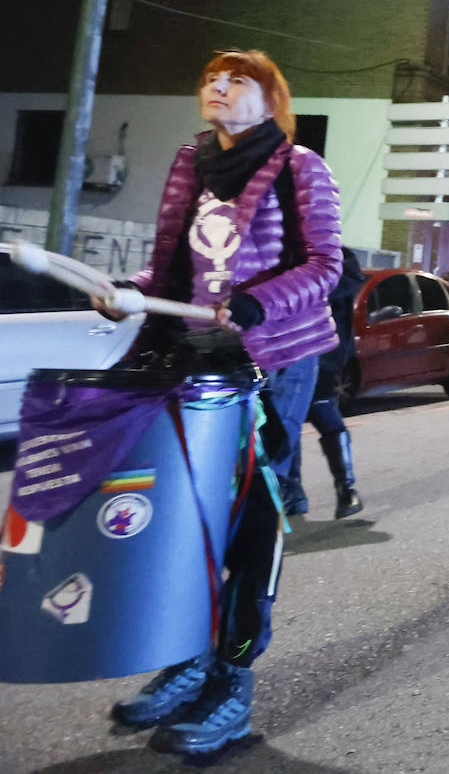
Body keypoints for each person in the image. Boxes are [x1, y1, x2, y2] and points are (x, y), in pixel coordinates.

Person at [101, 49, 343, 755]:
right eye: (211, 77)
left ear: (270, 100)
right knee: (185, 519)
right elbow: (173, 263)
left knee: (250, 524)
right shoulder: (190, 162)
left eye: (238, 80)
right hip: (191, 358)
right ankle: (188, 660)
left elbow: (324, 267)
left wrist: (252, 306)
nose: (218, 87)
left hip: (272, 359)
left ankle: (232, 683)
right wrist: (129, 289)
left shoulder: (301, 167)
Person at [284, 245, 366, 518]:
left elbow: (332, 292)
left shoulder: (336, 262)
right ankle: (291, 493)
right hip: (288, 355)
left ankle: (347, 488)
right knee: (286, 424)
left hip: (321, 357)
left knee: (324, 416)